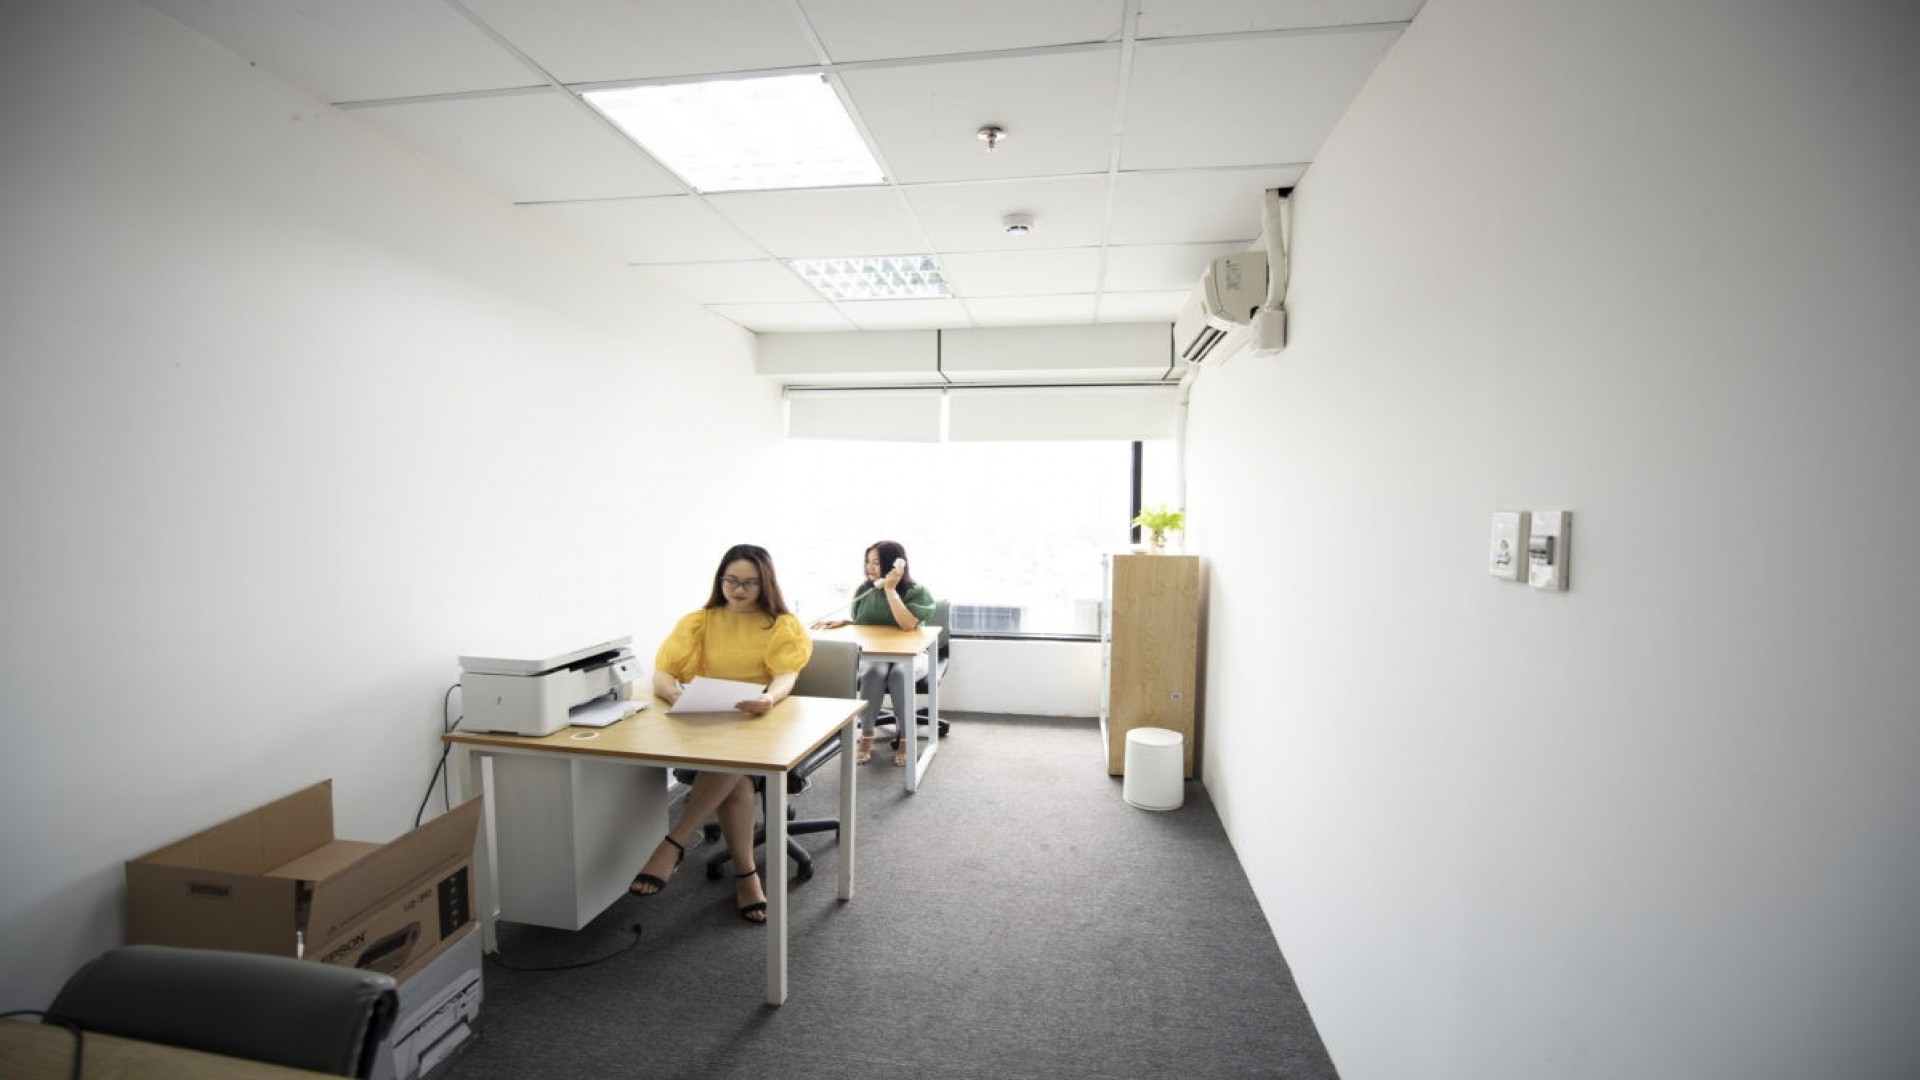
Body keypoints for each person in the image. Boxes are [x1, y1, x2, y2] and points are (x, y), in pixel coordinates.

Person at [630, 543, 812, 924]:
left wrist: (769, 698)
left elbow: (786, 675)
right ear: (720, 580)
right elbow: (662, 672)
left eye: (749, 583)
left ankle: (675, 841)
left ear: (765, 583)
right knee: (736, 779)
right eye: (731, 580)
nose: (738, 590)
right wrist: (674, 694)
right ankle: (746, 877)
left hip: (758, 723)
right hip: (709, 722)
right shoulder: (699, 621)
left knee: (736, 764)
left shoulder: (781, 625)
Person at [811, 540, 935, 766]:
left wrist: (890, 590)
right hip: (878, 654)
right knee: (872, 673)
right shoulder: (865, 590)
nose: (870, 567)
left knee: (899, 675)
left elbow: (907, 624)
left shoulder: (917, 592)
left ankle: (906, 737)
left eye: (876, 562)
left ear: (895, 564)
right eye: (867, 562)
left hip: (913, 655)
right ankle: (867, 734)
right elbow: (867, 624)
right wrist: (847, 623)